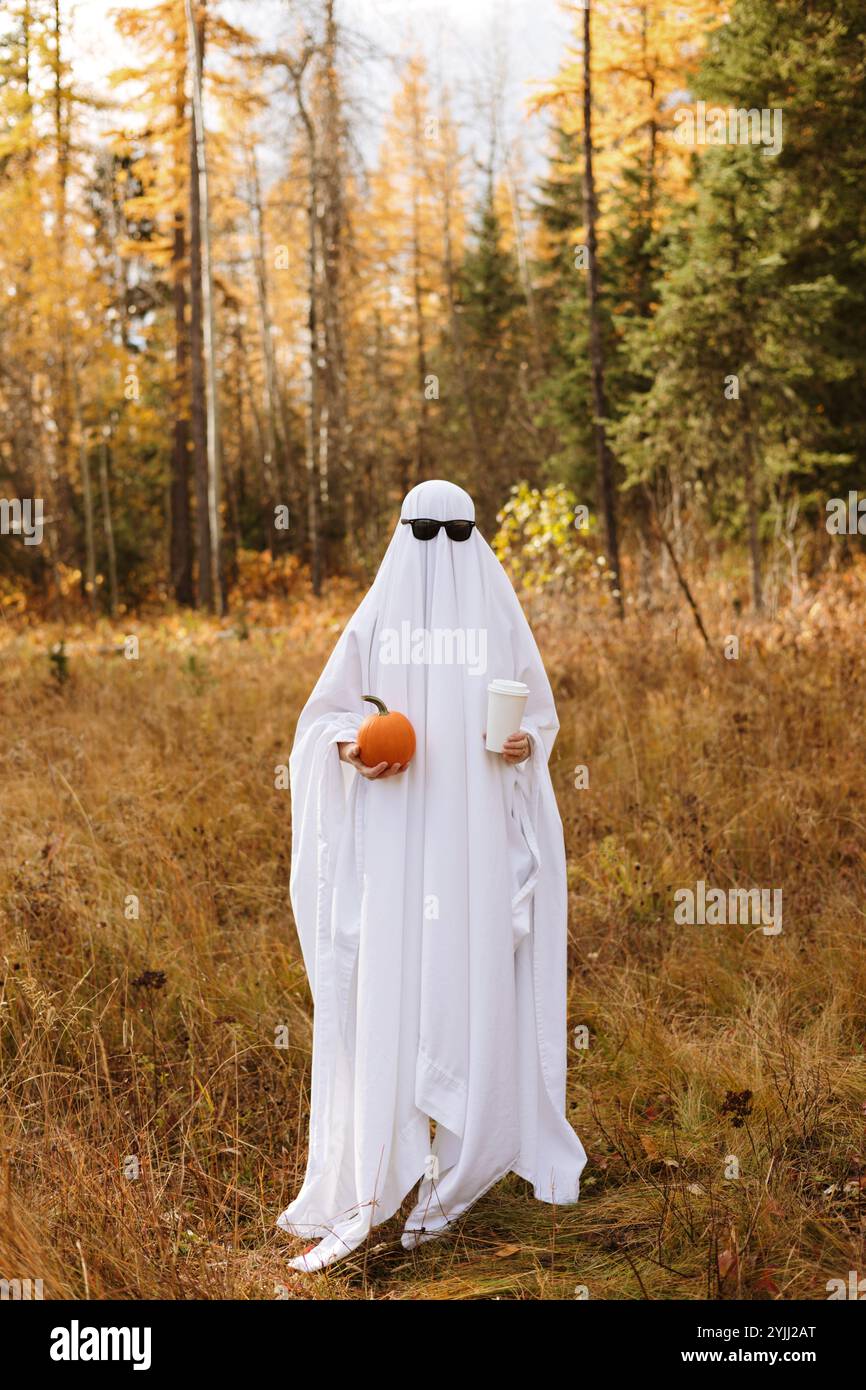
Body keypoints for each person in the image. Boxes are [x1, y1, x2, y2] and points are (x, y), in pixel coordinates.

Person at [277, 479, 586, 1272]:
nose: (439, 554)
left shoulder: (497, 614)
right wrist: (355, 748)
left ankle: (459, 1165)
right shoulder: (378, 616)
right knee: (400, 987)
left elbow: (540, 714)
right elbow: (323, 721)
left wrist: (524, 747)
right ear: (404, 533)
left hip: (475, 845)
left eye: (454, 536)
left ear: (473, 537)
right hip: (397, 847)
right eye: (426, 534)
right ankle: (390, 1161)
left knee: (467, 982)